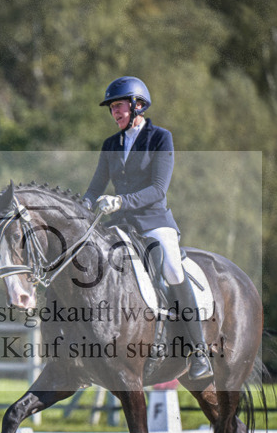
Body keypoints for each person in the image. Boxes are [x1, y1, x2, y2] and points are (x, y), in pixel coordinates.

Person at [81, 76, 212, 383]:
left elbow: (157, 189)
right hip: (121, 225)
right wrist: (81, 208)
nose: (114, 112)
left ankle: (200, 352)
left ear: (137, 105)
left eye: (119, 106)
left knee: (172, 270)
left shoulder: (160, 138)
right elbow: (95, 187)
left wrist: (121, 201)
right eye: (112, 108)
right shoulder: (111, 145)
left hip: (154, 222)